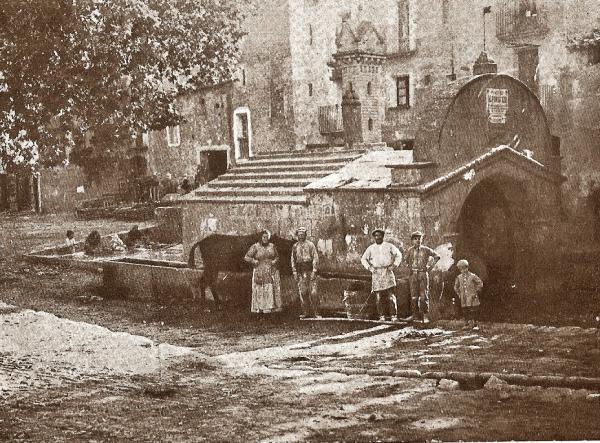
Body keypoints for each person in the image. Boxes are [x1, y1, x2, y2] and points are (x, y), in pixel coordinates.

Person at [361, 228, 403, 321]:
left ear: (383, 236)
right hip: (377, 273)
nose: (378, 237)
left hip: (387, 271)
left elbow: (399, 255)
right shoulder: (371, 248)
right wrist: (369, 268)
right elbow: (363, 259)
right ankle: (382, 316)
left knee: (390, 296)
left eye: (380, 235)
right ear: (374, 237)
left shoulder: (389, 246)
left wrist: (394, 265)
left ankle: (393, 316)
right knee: (378, 296)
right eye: (376, 236)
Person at [404, 231, 440, 324]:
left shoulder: (426, 249)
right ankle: (415, 315)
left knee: (424, 296)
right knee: (413, 296)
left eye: (419, 238)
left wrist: (429, 266)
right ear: (412, 240)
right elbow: (405, 261)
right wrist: (409, 267)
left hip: (423, 274)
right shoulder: (410, 250)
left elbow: (437, 256)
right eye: (415, 239)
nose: (418, 240)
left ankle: (425, 315)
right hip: (413, 275)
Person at [244, 230, 282, 314]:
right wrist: (254, 261)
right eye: (263, 237)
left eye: (267, 237)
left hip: (269, 270)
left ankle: (269, 307)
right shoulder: (255, 246)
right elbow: (246, 257)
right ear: (261, 238)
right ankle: (259, 308)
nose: (265, 239)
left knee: (269, 288)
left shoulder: (272, 246)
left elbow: (277, 257)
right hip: (259, 270)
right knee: (259, 288)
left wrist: (274, 262)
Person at [291, 227, 320, 319]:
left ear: (305, 235)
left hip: (310, 270)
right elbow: (292, 259)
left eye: (303, 235)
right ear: (297, 236)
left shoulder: (310, 245)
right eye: (299, 235)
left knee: (313, 293)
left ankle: (316, 312)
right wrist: (294, 271)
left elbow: (315, 257)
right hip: (300, 272)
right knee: (303, 293)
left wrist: (314, 270)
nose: (301, 236)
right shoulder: (295, 246)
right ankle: (305, 312)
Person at [454, 259, 484, 330]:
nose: (463, 270)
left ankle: (475, 324)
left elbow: (480, 283)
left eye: (464, 268)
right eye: (461, 269)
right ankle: (466, 324)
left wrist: (475, 291)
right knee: (465, 310)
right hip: (464, 297)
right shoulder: (459, 277)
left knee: (474, 310)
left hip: (472, 296)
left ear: (467, 268)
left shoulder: (472, 276)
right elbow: (456, 287)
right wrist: (459, 294)